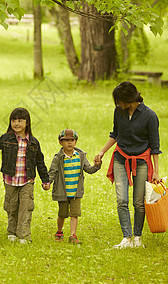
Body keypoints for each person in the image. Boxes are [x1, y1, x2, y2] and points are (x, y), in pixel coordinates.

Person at [95, 81, 161, 248]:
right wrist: (102, 152)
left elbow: (155, 146)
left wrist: (156, 172)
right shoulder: (119, 112)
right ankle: (127, 238)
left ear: (129, 98)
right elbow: (115, 134)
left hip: (141, 161)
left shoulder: (150, 116)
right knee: (121, 200)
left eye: (119, 100)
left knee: (139, 202)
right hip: (121, 158)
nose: (118, 104)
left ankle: (137, 238)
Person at [0, 107, 49, 244]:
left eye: (20, 121)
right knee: (11, 207)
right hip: (10, 180)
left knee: (26, 207)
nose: (16, 124)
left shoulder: (33, 142)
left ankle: (24, 235)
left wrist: (45, 180)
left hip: (27, 180)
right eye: (13, 120)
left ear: (27, 123)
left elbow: (40, 162)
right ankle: (12, 231)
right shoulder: (5, 138)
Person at [45, 129, 101, 244]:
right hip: (62, 192)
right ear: (61, 143)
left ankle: (73, 235)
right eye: (66, 141)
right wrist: (47, 183)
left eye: (72, 140)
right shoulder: (58, 158)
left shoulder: (80, 156)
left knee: (74, 214)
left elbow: (89, 169)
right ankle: (59, 231)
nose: (69, 143)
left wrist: (97, 166)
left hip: (76, 192)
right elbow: (52, 172)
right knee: (62, 214)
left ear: (76, 142)